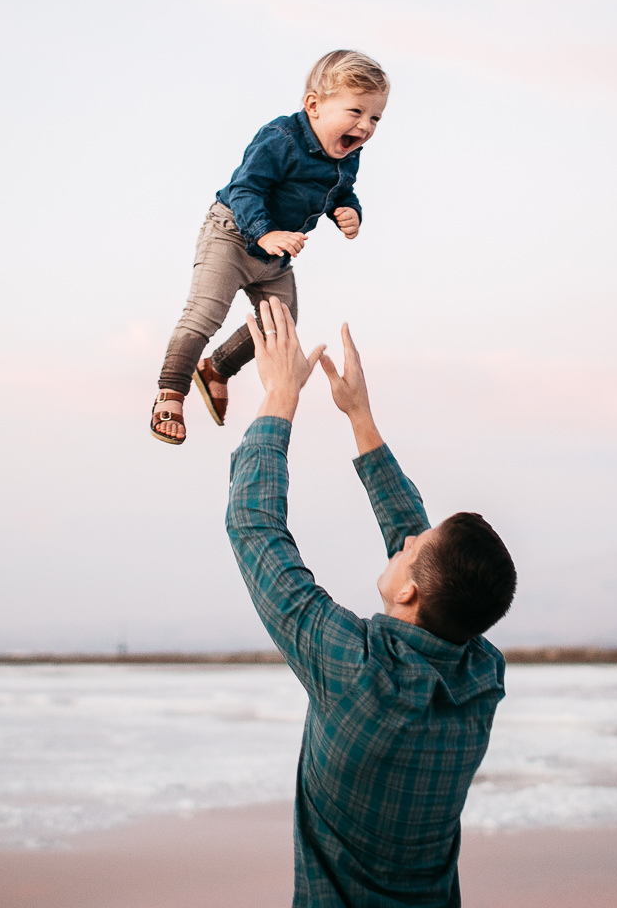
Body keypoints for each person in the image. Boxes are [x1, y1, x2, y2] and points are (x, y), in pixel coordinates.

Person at [227, 297, 518, 906]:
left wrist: (280, 396)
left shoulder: (357, 671)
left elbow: (256, 528)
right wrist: (359, 415)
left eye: (415, 546)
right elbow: (430, 571)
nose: (408, 538)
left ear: (411, 590)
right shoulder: (479, 680)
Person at [151, 50, 390, 444]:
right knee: (203, 315)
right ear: (314, 105)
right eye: (356, 112)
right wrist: (264, 233)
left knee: (281, 325)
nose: (365, 126)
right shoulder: (280, 138)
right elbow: (245, 189)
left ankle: (216, 369)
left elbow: (341, 191)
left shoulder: (349, 156)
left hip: (276, 255)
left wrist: (349, 211)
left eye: (375, 118)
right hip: (232, 234)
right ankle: (171, 394)